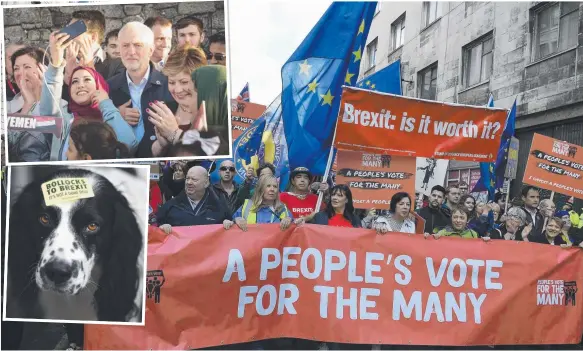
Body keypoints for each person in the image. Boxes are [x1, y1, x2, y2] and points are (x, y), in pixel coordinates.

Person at [40, 32, 138, 160]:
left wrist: (106, 104)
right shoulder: (64, 122)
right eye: (74, 81)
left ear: (99, 86)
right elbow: (47, 112)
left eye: (87, 80)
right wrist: (56, 66)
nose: (80, 85)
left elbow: (129, 144)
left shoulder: (114, 119)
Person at [107, 22, 174, 158]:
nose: (131, 52)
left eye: (138, 45)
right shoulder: (108, 87)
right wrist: (116, 117)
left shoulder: (169, 86)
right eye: (125, 45)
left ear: (150, 50)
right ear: (119, 49)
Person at [150, 64, 228, 157]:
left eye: (198, 88)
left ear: (213, 92)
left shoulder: (238, 125)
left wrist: (176, 135)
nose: (178, 90)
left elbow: (221, 160)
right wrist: (165, 146)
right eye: (171, 82)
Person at [6, 46, 65, 162]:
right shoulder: (7, 107)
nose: (20, 73)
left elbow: (58, 136)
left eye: (27, 67)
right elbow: (8, 145)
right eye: (16, 68)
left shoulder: (63, 106)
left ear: (43, 70)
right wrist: (28, 105)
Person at [149, 45, 208, 156]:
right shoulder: (167, 109)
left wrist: (174, 134)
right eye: (172, 82)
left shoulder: (216, 112)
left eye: (184, 82)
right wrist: (161, 146)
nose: (177, 90)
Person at [157, 166, 231, 230]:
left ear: (206, 183)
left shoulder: (220, 208)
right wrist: (161, 227)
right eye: (187, 178)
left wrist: (229, 224)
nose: (189, 182)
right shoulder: (170, 207)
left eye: (194, 179)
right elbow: (156, 231)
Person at [225, 175, 295, 231]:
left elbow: (293, 229)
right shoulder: (247, 205)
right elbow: (231, 223)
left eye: (275, 186)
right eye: (268, 186)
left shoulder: (282, 208)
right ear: (260, 189)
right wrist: (234, 220)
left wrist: (289, 220)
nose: (272, 189)